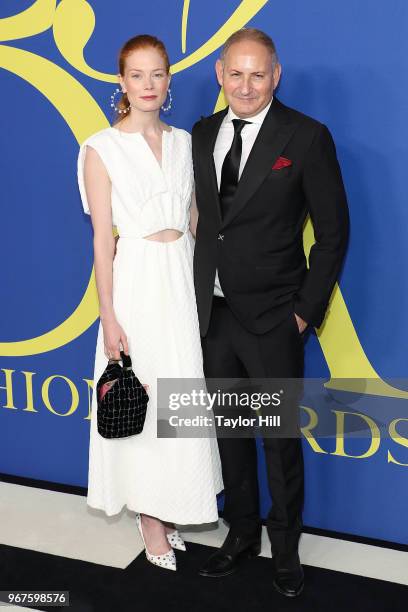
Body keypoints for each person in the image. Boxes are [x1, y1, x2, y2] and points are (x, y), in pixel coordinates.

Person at [192, 28, 349, 596]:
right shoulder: (202, 133)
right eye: (236, 73)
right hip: (212, 315)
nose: (246, 85)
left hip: (275, 316)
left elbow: (332, 235)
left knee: (277, 440)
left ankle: (285, 549)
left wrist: (305, 312)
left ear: (276, 75)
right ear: (220, 74)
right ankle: (240, 535)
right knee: (229, 433)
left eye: (258, 74)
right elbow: (205, 223)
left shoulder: (306, 136)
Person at [77, 34, 223, 572]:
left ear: (169, 81)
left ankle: (172, 503)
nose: (148, 85)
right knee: (144, 394)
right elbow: (100, 240)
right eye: (137, 75)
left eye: (157, 74)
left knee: (178, 397)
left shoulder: (187, 143)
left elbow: (194, 222)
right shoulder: (100, 148)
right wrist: (108, 314)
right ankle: (149, 518)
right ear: (121, 82)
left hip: (180, 278)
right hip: (135, 281)